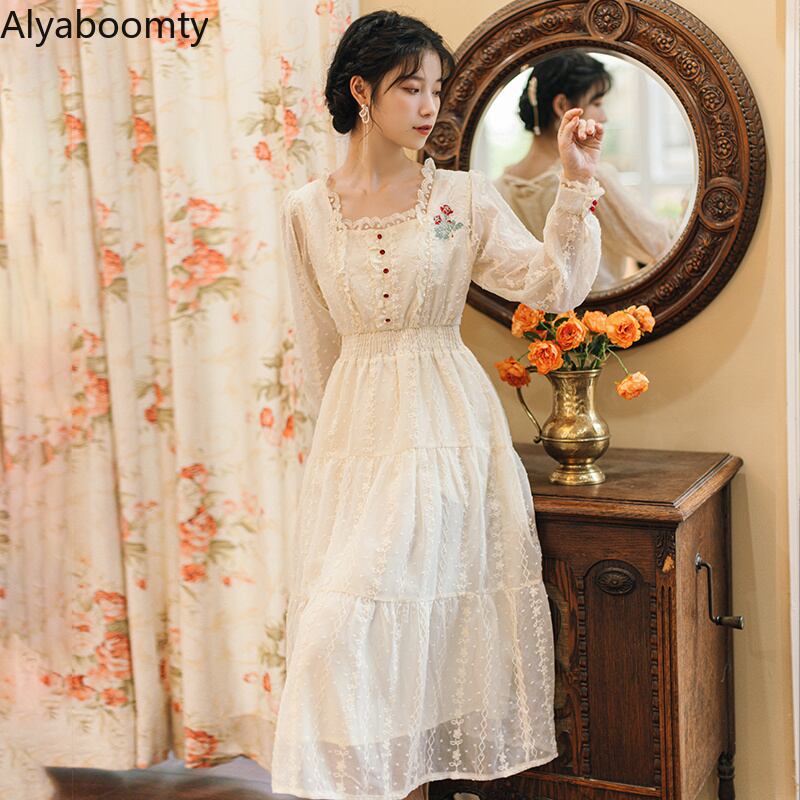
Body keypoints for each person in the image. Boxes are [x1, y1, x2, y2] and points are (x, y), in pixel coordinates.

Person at [272, 11, 604, 800]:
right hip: (357, 440)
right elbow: (319, 347)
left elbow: (553, 286)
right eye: (410, 88)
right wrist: (330, 459)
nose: (430, 106)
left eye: (437, 88)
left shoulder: (462, 197)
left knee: (376, 635)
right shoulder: (305, 211)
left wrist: (574, 181)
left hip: (446, 432)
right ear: (361, 91)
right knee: (334, 640)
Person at [495, 51, 678, 291]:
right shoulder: (587, 179)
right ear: (562, 106)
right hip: (602, 311)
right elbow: (659, 243)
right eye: (597, 103)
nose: (604, 116)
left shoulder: (499, 188)